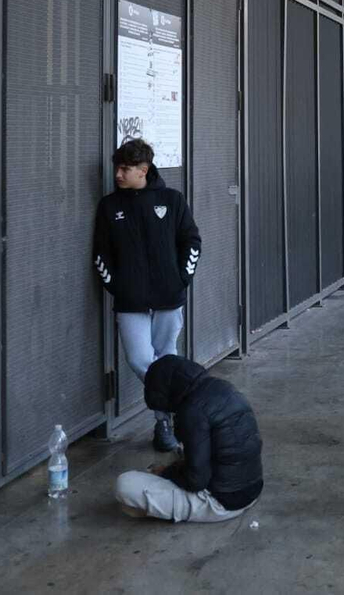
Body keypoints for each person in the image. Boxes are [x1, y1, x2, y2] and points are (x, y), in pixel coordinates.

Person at [94, 138, 202, 453]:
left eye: (125, 169)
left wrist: (181, 279)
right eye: (117, 167)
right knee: (140, 359)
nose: (118, 174)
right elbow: (101, 253)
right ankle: (182, 407)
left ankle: (163, 423)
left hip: (169, 298)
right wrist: (117, 287)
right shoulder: (109, 206)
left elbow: (191, 240)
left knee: (167, 356)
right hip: (130, 303)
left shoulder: (172, 200)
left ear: (143, 170)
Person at [115, 355, 262, 522]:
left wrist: (166, 472)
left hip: (223, 503)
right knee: (180, 455)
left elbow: (196, 481)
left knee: (125, 484)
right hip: (251, 490)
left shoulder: (192, 411)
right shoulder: (223, 387)